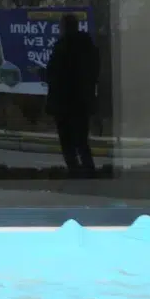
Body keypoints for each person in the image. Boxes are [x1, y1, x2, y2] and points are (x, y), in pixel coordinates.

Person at [44, 13, 100, 178]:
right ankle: (89, 171)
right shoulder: (90, 47)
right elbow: (94, 73)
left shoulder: (62, 47)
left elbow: (55, 74)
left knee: (67, 141)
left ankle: (75, 171)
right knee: (82, 140)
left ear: (63, 27)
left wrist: (42, 73)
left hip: (64, 103)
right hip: (83, 102)